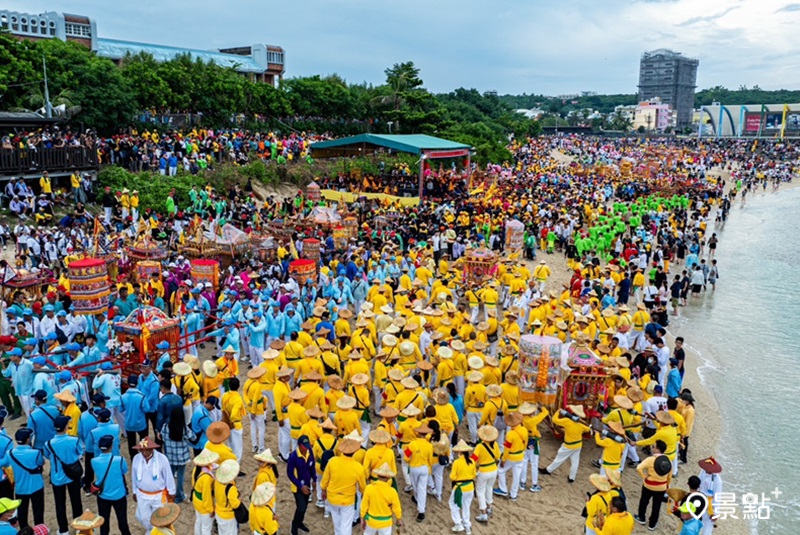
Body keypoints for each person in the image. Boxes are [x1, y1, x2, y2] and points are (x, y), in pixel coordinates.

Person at [44, 415, 84, 535]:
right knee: (76, 501)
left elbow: (47, 456)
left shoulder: (48, 444)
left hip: (57, 477)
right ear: (66, 427)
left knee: (60, 504)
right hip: (73, 476)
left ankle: (63, 529)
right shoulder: (74, 440)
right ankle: (79, 526)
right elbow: (80, 453)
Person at [321, 436, 367, 535]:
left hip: (332, 498)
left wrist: (323, 491)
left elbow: (325, 480)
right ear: (355, 452)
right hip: (347, 501)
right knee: (346, 525)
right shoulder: (358, 467)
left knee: (337, 522)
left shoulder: (332, 461)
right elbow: (363, 487)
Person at [131, 436, 176, 532]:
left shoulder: (162, 459)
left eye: (146, 450)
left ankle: (158, 532)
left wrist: (172, 491)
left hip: (158, 495)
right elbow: (134, 476)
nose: (144, 453)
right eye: (141, 450)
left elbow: (168, 475)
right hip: (142, 494)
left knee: (160, 517)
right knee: (143, 517)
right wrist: (134, 491)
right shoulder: (136, 458)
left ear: (152, 449)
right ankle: (150, 530)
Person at [3, 428, 44, 528]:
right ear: (28, 439)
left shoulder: (10, 453)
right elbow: (41, 462)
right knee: (38, 512)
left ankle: (24, 531)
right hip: (36, 485)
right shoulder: (35, 452)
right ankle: (39, 530)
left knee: (22, 513)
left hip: (20, 487)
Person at [91, 435, 132, 535]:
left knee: (104, 524)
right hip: (119, 495)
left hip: (103, 495)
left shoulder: (94, 461)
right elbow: (124, 471)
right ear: (111, 446)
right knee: (123, 522)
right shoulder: (120, 460)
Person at [540, 404, 590, 483]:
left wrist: (558, 412)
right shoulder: (581, 424)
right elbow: (588, 429)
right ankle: (572, 478)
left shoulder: (567, 421)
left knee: (559, 458)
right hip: (578, 445)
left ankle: (548, 470)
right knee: (575, 461)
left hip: (568, 445)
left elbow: (554, 420)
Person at [160, 404, 196, 504]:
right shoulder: (183, 428)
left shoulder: (166, 427)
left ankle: (170, 495)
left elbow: (162, 437)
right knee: (180, 476)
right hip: (182, 457)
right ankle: (180, 495)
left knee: (170, 476)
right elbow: (193, 437)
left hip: (170, 456)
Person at [633, 440, 672, 530]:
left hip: (649, 485)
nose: (652, 447)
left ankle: (641, 517)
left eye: (654, 446)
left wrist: (644, 476)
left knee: (644, 501)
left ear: (657, 449)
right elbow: (669, 476)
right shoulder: (668, 460)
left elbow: (639, 468)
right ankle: (652, 524)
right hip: (661, 487)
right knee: (656, 505)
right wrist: (667, 486)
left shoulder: (650, 459)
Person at [360, 462, 402, 535]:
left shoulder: (369, 488)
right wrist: (398, 519)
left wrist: (362, 518)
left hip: (371, 520)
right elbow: (396, 508)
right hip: (385, 523)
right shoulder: (392, 491)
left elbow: (364, 505)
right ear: (388, 477)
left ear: (377, 475)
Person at [403, 422, 433, 522]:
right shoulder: (429, 446)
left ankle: (417, 499)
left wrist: (410, 459)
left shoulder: (412, 444)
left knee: (415, 486)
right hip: (424, 468)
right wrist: (430, 469)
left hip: (414, 468)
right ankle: (421, 510)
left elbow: (406, 458)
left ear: (418, 433)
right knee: (422, 488)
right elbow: (430, 460)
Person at [287, 435, 316, 535]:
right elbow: (290, 474)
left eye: (307, 445)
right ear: (299, 445)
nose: (306, 448)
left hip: (307, 484)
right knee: (301, 507)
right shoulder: (293, 457)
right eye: (304, 446)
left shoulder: (309, 452)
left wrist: (314, 479)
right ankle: (294, 525)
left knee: (305, 506)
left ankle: (300, 523)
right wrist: (300, 486)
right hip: (297, 486)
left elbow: (312, 467)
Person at [449, 439, 476, 534]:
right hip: (470, 487)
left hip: (460, 487)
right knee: (466, 506)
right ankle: (467, 525)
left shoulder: (457, 462)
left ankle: (458, 523)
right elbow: (474, 474)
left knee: (453, 504)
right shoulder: (472, 461)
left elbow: (452, 477)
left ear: (459, 452)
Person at [473, 425, 500, 524]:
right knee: (489, 488)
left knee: (480, 491)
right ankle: (489, 507)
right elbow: (497, 456)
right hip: (493, 469)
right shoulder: (495, 444)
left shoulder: (479, 446)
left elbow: (474, 459)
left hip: (484, 470)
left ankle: (483, 513)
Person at [191, 448, 220, 535]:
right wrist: (210, 510)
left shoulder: (196, 469)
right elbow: (206, 495)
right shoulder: (206, 477)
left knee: (198, 522)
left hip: (196, 499)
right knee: (206, 528)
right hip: (204, 504)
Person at [213, 459, 242, 535]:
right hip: (228, 516)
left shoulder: (217, 481)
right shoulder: (231, 488)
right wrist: (239, 500)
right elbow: (235, 505)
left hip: (219, 512)